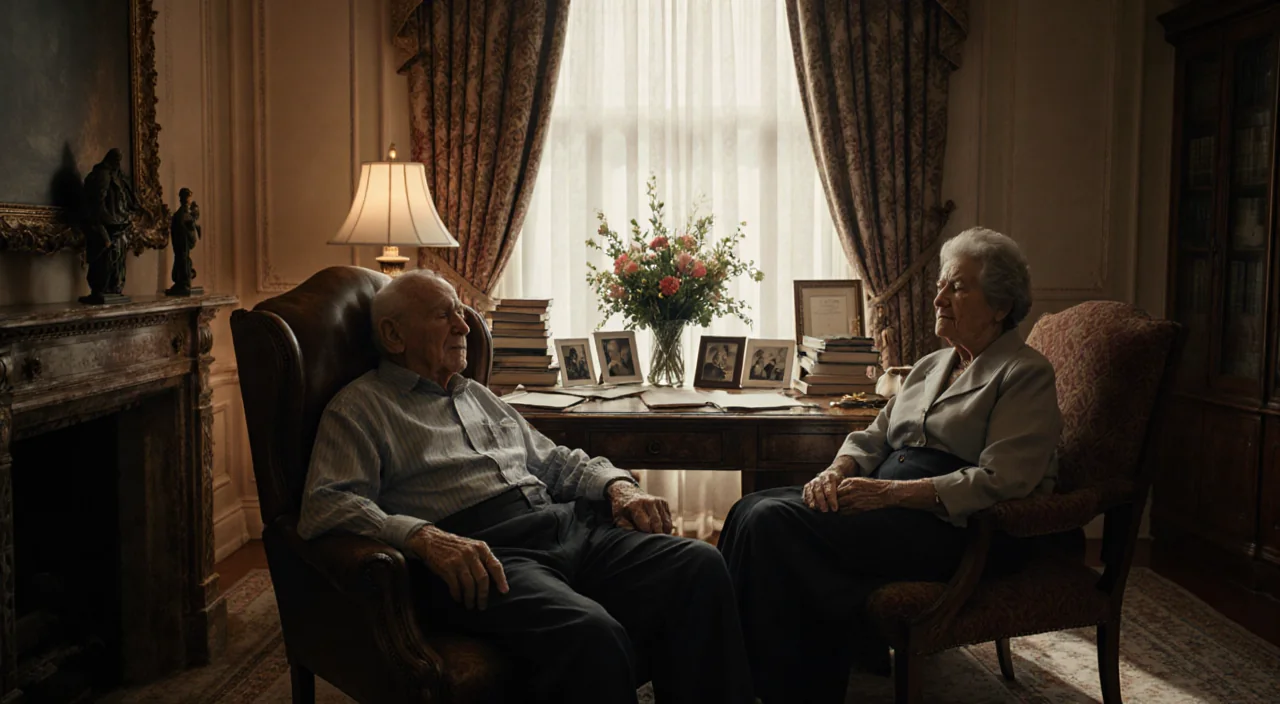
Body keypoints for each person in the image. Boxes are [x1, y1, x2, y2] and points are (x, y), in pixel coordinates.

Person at [299, 270, 753, 704]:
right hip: (486, 553)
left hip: (563, 525)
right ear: (394, 335)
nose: (464, 326)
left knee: (700, 565)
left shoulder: (477, 394)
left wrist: (618, 486)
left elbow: (552, 461)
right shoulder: (360, 408)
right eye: (443, 315)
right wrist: (423, 536)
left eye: (460, 312)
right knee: (592, 634)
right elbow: (327, 503)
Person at [718, 227, 1066, 703]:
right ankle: (738, 674)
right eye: (941, 285)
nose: (939, 298)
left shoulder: (1024, 373)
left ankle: (786, 689)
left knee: (772, 523)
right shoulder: (930, 365)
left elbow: (1001, 480)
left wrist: (889, 493)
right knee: (748, 509)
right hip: (888, 508)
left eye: (957, 287)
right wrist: (837, 471)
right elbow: (874, 435)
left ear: (1001, 306)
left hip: (953, 529)